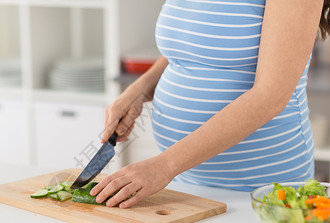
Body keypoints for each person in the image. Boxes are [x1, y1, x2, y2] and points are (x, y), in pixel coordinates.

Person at [90, 0, 330, 208]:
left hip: (261, 188)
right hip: (185, 178)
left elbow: (270, 97)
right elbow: (193, 47)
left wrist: (164, 166)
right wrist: (138, 90)